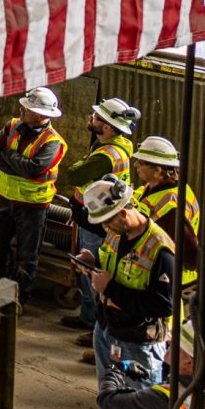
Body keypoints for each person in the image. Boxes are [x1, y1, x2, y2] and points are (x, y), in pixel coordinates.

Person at [80, 177, 177, 409]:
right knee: (112, 402)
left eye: (109, 221)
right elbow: (113, 263)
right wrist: (92, 261)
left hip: (138, 342)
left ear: (123, 213)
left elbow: (164, 305)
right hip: (108, 329)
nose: (106, 229)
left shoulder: (160, 249)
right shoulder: (117, 235)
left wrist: (111, 288)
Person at [62, 97, 141, 342]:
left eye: (96, 117)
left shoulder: (106, 155)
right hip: (95, 219)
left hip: (96, 223)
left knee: (92, 272)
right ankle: (89, 317)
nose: (91, 118)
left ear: (107, 127)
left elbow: (74, 174)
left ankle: (94, 323)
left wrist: (81, 164)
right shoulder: (115, 147)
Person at [0, 86, 66, 302]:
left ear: (41, 115)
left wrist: (9, 155)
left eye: (27, 108)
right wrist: (19, 165)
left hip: (32, 207)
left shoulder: (53, 142)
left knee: (27, 257)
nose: (21, 110)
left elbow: (33, 169)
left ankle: (17, 301)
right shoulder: (12, 125)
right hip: (4, 200)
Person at [132, 137, 201, 301]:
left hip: (170, 279)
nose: (135, 165)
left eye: (141, 162)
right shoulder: (153, 187)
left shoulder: (173, 205)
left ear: (157, 170)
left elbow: (189, 254)